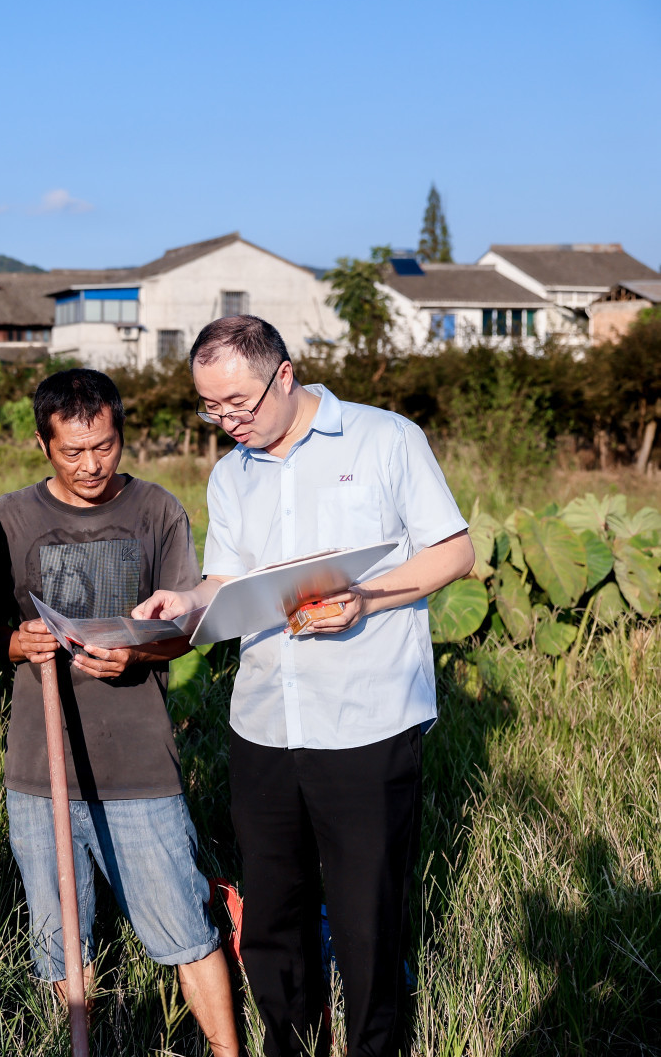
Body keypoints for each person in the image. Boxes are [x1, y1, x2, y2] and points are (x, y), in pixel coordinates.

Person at [135, 316, 473, 1057]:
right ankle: (289, 1045)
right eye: (211, 409)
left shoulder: (385, 439)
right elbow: (226, 577)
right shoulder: (231, 473)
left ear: (284, 375)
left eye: (239, 405)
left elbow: (455, 551)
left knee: (367, 919)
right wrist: (187, 601)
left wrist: (370, 599)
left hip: (367, 721)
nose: (228, 423)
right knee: (276, 918)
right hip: (264, 722)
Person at [0, 368, 239, 1056]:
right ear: (43, 446)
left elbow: (189, 625)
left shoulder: (157, 511)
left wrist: (139, 656)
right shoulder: (9, 520)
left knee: (186, 929)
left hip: (138, 765)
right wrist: (15, 641)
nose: (92, 464)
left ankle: (226, 1050)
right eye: (73, 451)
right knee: (60, 947)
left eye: (105, 446)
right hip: (42, 769)